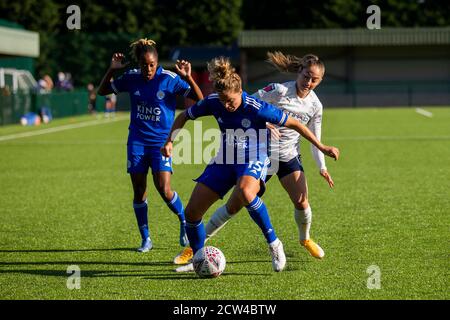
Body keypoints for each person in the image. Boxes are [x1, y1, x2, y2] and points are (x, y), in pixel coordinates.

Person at [161, 56, 339, 272]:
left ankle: (275, 244)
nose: (227, 106)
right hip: (225, 158)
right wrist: (170, 141)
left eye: (231, 101)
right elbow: (184, 116)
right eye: (223, 101)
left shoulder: (256, 107)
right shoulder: (214, 101)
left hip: (255, 155)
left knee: (248, 193)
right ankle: (198, 257)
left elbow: (294, 123)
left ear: (240, 92)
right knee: (192, 213)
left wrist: (321, 147)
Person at [97, 38, 204, 252]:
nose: (148, 69)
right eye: (144, 64)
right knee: (139, 191)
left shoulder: (169, 79)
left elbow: (200, 99)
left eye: (152, 64)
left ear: (157, 63)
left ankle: (184, 221)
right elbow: (102, 91)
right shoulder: (131, 78)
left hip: (162, 143)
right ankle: (146, 238)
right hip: (137, 141)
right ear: (138, 63)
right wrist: (111, 69)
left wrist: (189, 77)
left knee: (164, 189)